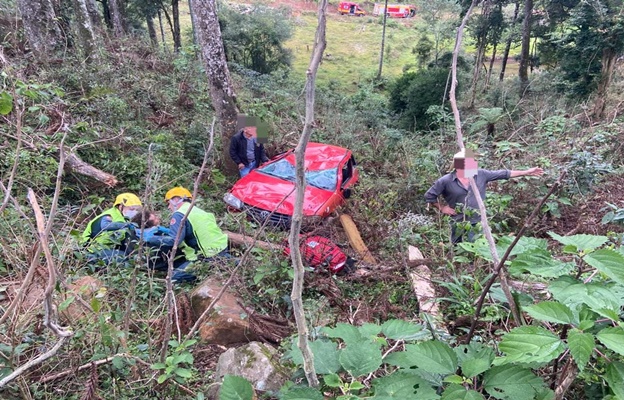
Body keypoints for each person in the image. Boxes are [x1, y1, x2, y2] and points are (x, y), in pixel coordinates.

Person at [424, 149, 544, 244]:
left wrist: (527, 172)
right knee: (456, 245)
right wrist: (442, 208)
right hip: (458, 220)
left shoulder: (481, 174)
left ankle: (474, 267)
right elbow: (430, 195)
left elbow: (504, 174)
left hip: (477, 220)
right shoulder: (446, 180)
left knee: (476, 245)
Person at [163, 186, 230, 282]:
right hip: (221, 249)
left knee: (172, 278)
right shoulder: (197, 211)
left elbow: (175, 240)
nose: (168, 207)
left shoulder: (179, 214)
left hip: (205, 257)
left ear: (176, 199)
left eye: (168, 203)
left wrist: (153, 239)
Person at [80, 192, 143, 264]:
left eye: (136, 209)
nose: (134, 211)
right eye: (132, 209)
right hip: (91, 251)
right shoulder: (109, 215)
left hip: (108, 248)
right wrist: (126, 225)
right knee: (123, 259)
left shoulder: (124, 218)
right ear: (120, 206)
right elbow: (105, 225)